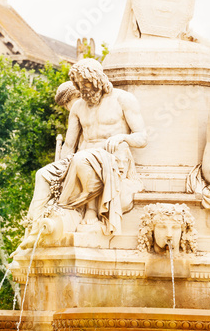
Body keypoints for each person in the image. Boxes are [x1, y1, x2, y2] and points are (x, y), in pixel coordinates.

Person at [27, 58, 147, 235]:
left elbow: (142, 138)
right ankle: (34, 225)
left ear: (99, 79)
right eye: (78, 84)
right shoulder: (77, 107)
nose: (83, 88)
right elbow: (69, 145)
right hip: (81, 158)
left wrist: (122, 137)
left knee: (81, 159)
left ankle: (91, 211)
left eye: (86, 83)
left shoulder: (123, 99)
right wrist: (60, 171)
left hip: (111, 157)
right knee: (43, 175)